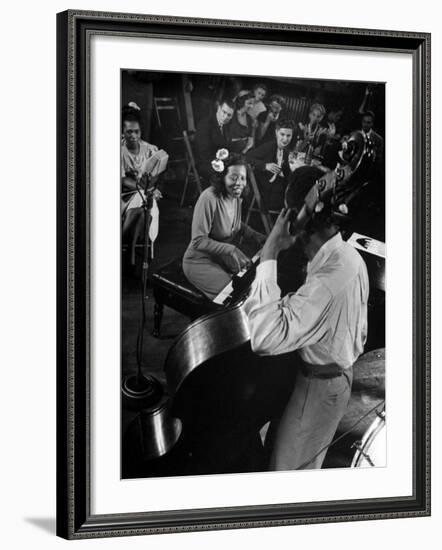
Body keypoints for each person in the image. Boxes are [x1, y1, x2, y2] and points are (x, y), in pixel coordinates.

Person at [243, 173, 369, 471]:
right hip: (334, 379)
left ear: (298, 217)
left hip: (317, 389)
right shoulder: (348, 256)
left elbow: (264, 338)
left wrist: (271, 250)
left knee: (287, 472)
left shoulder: (326, 283)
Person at [183, 154, 265, 299]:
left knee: (250, 283)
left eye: (242, 178)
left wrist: (256, 235)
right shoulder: (209, 197)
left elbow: (233, 223)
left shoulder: (235, 197)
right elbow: (198, 240)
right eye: (233, 177)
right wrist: (231, 249)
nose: (239, 182)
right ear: (222, 178)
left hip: (222, 257)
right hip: (198, 261)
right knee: (233, 294)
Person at [121, 110, 163, 259]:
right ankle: (129, 244)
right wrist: (146, 190)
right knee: (144, 201)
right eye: (129, 132)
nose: (133, 136)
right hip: (124, 195)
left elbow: (155, 173)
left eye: (137, 132)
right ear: (122, 132)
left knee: (145, 204)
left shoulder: (148, 148)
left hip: (144, 191)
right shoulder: (119, 151)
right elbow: (122, 180)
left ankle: (131, 247)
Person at [246, 119, 295, 211]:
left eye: (288, 135)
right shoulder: (269, 146)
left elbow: (286, 171)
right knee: (292, 202)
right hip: (265, 188)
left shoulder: (286, 150)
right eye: (282, 134)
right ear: (276, 132)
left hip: (276, 184)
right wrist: (265, 165)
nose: (285, 139)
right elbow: (247, 157)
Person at [194, 98, 234, 180]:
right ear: (219, 108)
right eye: (224, 112)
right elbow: (205, 155)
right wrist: (225, 162)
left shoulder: (226, 126)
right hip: (205, 163)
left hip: (220, 161)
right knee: (230, 173)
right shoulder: (205, 124)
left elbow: (226, 147)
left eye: (229, 115)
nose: (225, 117)